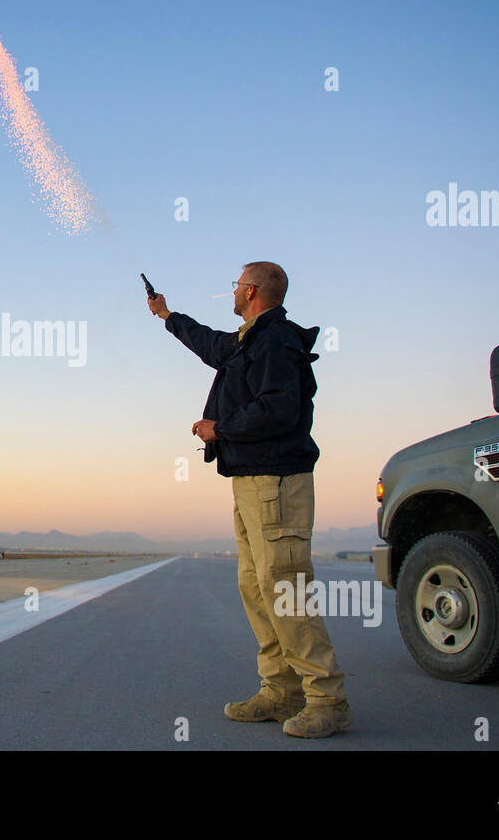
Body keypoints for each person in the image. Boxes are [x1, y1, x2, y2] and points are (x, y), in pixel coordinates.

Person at [148, 262, 352, 738]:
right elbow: (212, 346)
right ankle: (281, 690)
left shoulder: (276, 342)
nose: (233, 292)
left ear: (253, 290)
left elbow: (279, 408)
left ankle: (327, 699)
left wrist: (220, 428)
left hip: (278, 482)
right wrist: (167, 315)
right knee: (257, 589)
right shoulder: (248, 341)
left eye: (236, 285)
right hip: (251, 482)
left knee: (285, 589)